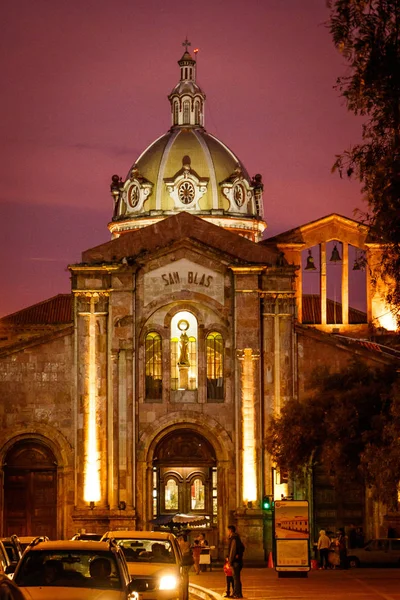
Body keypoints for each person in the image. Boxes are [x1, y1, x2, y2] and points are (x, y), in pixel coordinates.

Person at [227, 525, 243, 599]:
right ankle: (238, 593)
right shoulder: (237, 538)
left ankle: (236, 594)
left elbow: (232, 551)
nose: (227, 532)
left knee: (235, 578)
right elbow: (243, 547)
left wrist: (230, 561)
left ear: (230, 530)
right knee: (237, 578)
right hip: (238, 561)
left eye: (228, 530)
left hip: (235, 562)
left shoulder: (234, 539)